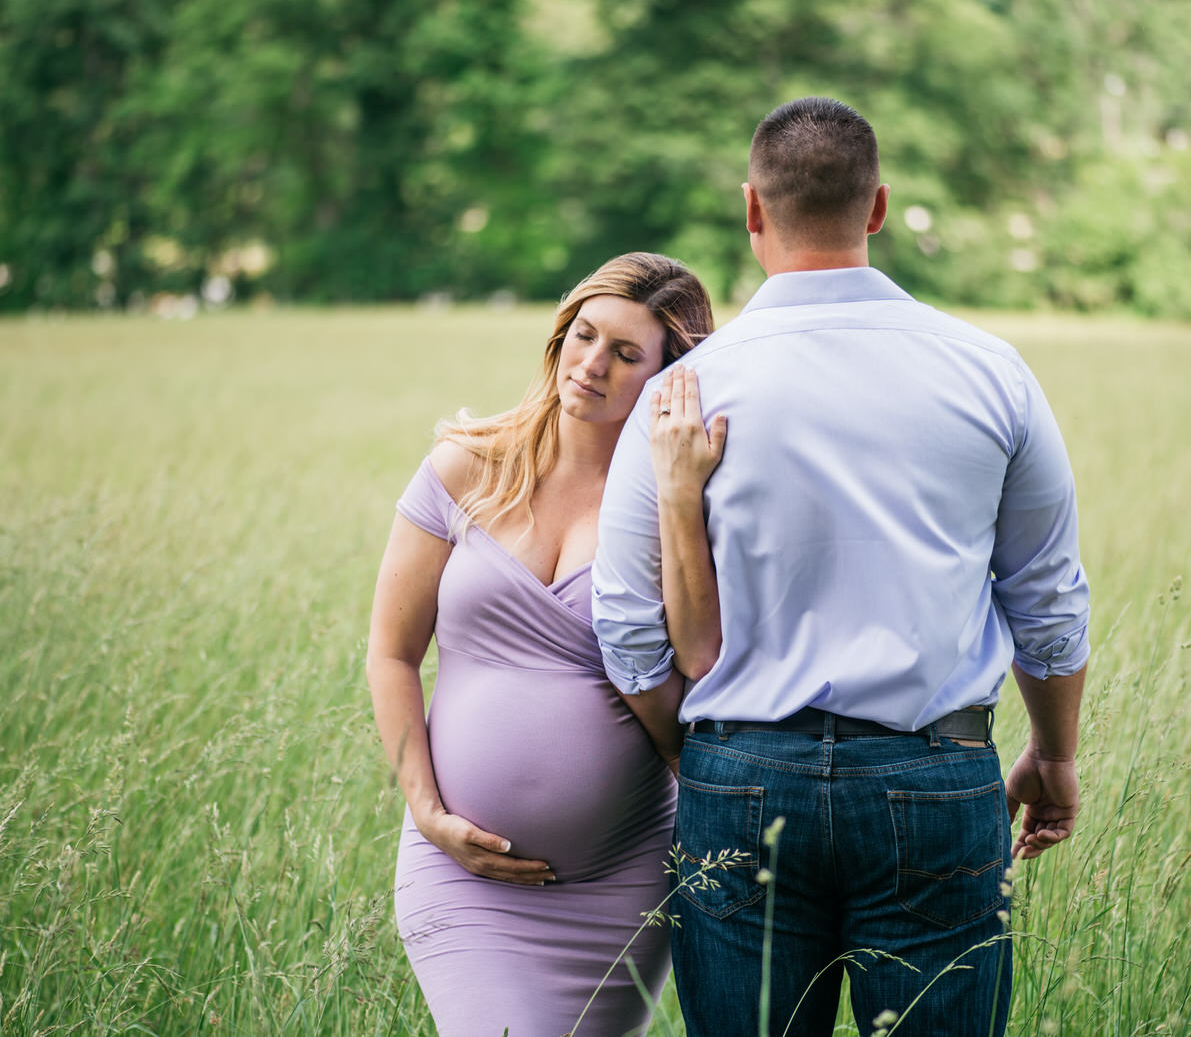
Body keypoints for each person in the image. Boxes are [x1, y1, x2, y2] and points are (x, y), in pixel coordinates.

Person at [592, 98, 1091, 1037]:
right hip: (935, 773)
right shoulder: (993, 373)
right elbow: (1048, 601)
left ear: (751, 211)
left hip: (740, 772)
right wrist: (1054, 756)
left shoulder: (682, 393)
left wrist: (699, 757)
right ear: (878, 207)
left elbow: (626, 628)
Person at [366, 252, 721, 1036]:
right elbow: (391, 653)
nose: (591, 365)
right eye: (583, 336)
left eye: (626, 354)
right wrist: (425, 810)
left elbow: (700, 658)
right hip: (459, 869)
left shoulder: (676, 500)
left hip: (621, 877)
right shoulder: (466, 465)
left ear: (668, 377)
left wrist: (682, 499)